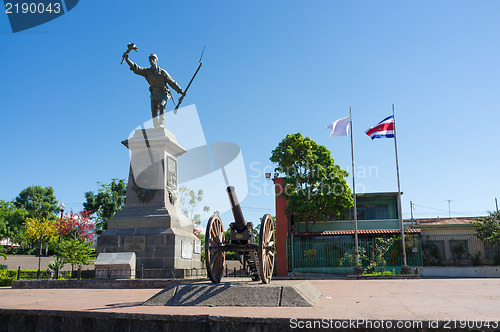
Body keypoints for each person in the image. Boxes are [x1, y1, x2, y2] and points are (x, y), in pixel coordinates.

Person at [123, 52, 184, 128]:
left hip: (163, 93)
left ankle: (161, 124)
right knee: (154, 111)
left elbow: (172, 82)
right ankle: (156, 127)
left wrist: (180, 91)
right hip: (154, 94)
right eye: (150, 59)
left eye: (153, 59)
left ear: (156, 60)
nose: (151, 60)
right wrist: (127, 59)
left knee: (162, 106)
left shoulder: (162, 72)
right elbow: (136, 68)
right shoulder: (147, 72)